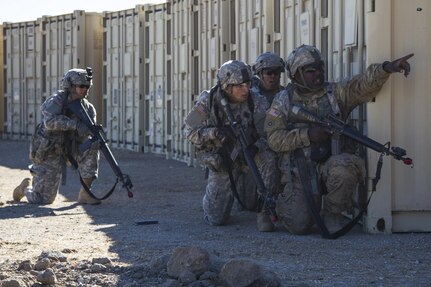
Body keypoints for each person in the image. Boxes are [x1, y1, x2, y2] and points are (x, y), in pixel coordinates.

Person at [264, 44, 413, 234]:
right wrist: (308, 135)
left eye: (320, 69)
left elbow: (362, 86)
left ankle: (332, 214)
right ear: (296, 74)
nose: (318, 74)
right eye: (311, 71)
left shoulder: (335, 93)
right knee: (298, 226)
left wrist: (387, 68)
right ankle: (277, 205)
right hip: (299, 169)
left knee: (345, 167)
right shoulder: (283, 101)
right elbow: (274, 139)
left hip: (330, 163)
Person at [184, 60, 280, 232]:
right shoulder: (208, 100)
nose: (246, 89)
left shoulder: (257, 101)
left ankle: (265, 210)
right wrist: (215, 133)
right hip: (223, 159)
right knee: (215, 219)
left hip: (248, 155)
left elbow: (271, 133)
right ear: (227, 87)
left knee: (269, 158)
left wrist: (257, 146)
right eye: (240, 85)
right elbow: (188, 132)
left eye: (248, 84)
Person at [13, 68, 101, 205]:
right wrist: (75, 125)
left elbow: (87, 132)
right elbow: (49, 122)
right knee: (42, 200)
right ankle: (25, 188)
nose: (85, 89)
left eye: (87, 86)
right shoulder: (57, 101)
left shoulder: (88, 108)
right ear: (70, 86)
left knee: (93, 145)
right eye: (81, 86)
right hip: (49, 151)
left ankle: (86, 193)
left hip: (70, 149)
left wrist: (91, 132)